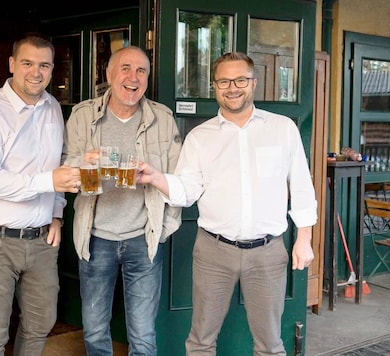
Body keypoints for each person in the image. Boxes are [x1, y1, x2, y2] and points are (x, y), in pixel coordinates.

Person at [136, 52, 318, 355]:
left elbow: (301, 186)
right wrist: (156, 177)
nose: (232, 87)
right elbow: (187, 191)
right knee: (201, 341)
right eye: (223, 81)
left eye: (240, 80)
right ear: (214, 86)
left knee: (271, 344)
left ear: (253, 82)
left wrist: (304, 239)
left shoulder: (282, 128)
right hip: (213, 252)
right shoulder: (199, 137)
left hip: (268, 252)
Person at [0, 32, 81, 356]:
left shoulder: (53, 107)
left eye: (44, 65)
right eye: (27, 63)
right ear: (12, 64)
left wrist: (56, 214)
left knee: (41, 322)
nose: (35, 72)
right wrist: (48, 182)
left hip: (41, 241)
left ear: (53, 69)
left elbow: (60, 165)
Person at [62, 46, 182, 355]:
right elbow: (64, 166)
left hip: (143, 239)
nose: (133, 77)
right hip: (95, 236)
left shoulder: (163, 118)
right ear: (109, 75)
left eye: (141, 70)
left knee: (142, 335)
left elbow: (178, 178)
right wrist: (81, 162)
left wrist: (165, 227)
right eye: (125, 68)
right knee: (95, 330)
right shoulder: (83, 114)